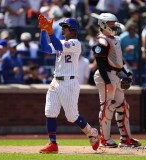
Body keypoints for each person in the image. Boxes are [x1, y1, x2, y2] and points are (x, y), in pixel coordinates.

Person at [38, 14, 99, 153]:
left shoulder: (76, 44)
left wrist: (50, 32)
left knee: (72, 117)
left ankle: (91, 132)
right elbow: (45, 48)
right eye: (63, 27)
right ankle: (52, 144)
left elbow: (59, 45)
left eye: (66, 27)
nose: (63, 29)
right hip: (56, 81)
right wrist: (43, 30)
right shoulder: (60, 40)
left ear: (73, 30)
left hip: (69, 83)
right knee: (50, 112)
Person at [92, 13, 141, 148]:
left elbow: (120, 60)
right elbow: (101, 65)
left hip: (116, 75)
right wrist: (108, 82)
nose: (113, 26)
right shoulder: (101, 42)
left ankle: (126, 139)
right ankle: (104, 139)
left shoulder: (115, 39)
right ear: (103, 25)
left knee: (123, 107)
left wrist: (127, 72)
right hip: (105, 76)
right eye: (110, 23)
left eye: (114, 23)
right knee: (108, 106)